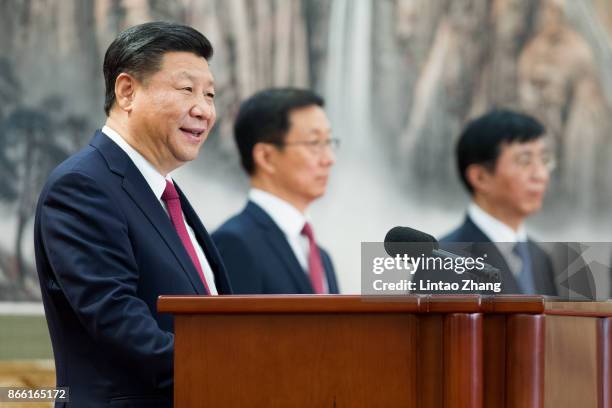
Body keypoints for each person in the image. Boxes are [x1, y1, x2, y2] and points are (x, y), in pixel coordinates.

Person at [33, 22, 232, 407]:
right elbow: (116, 319)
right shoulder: (82, 186)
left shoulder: (162, 192)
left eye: (210, 95)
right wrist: (230, 367)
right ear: (127, 91)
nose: (204, 110)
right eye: (187, 90)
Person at [212, 88, 340, 294]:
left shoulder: (321, 257)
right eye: (314, 143)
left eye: (329, 142)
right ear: (266, 157)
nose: (329, 159)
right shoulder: (234, 243)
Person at [439, 109, 558, 295]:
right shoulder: (444, 260)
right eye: (525, 161)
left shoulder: (540, 257)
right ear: (480, 177)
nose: (541, 175)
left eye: (544, 160)